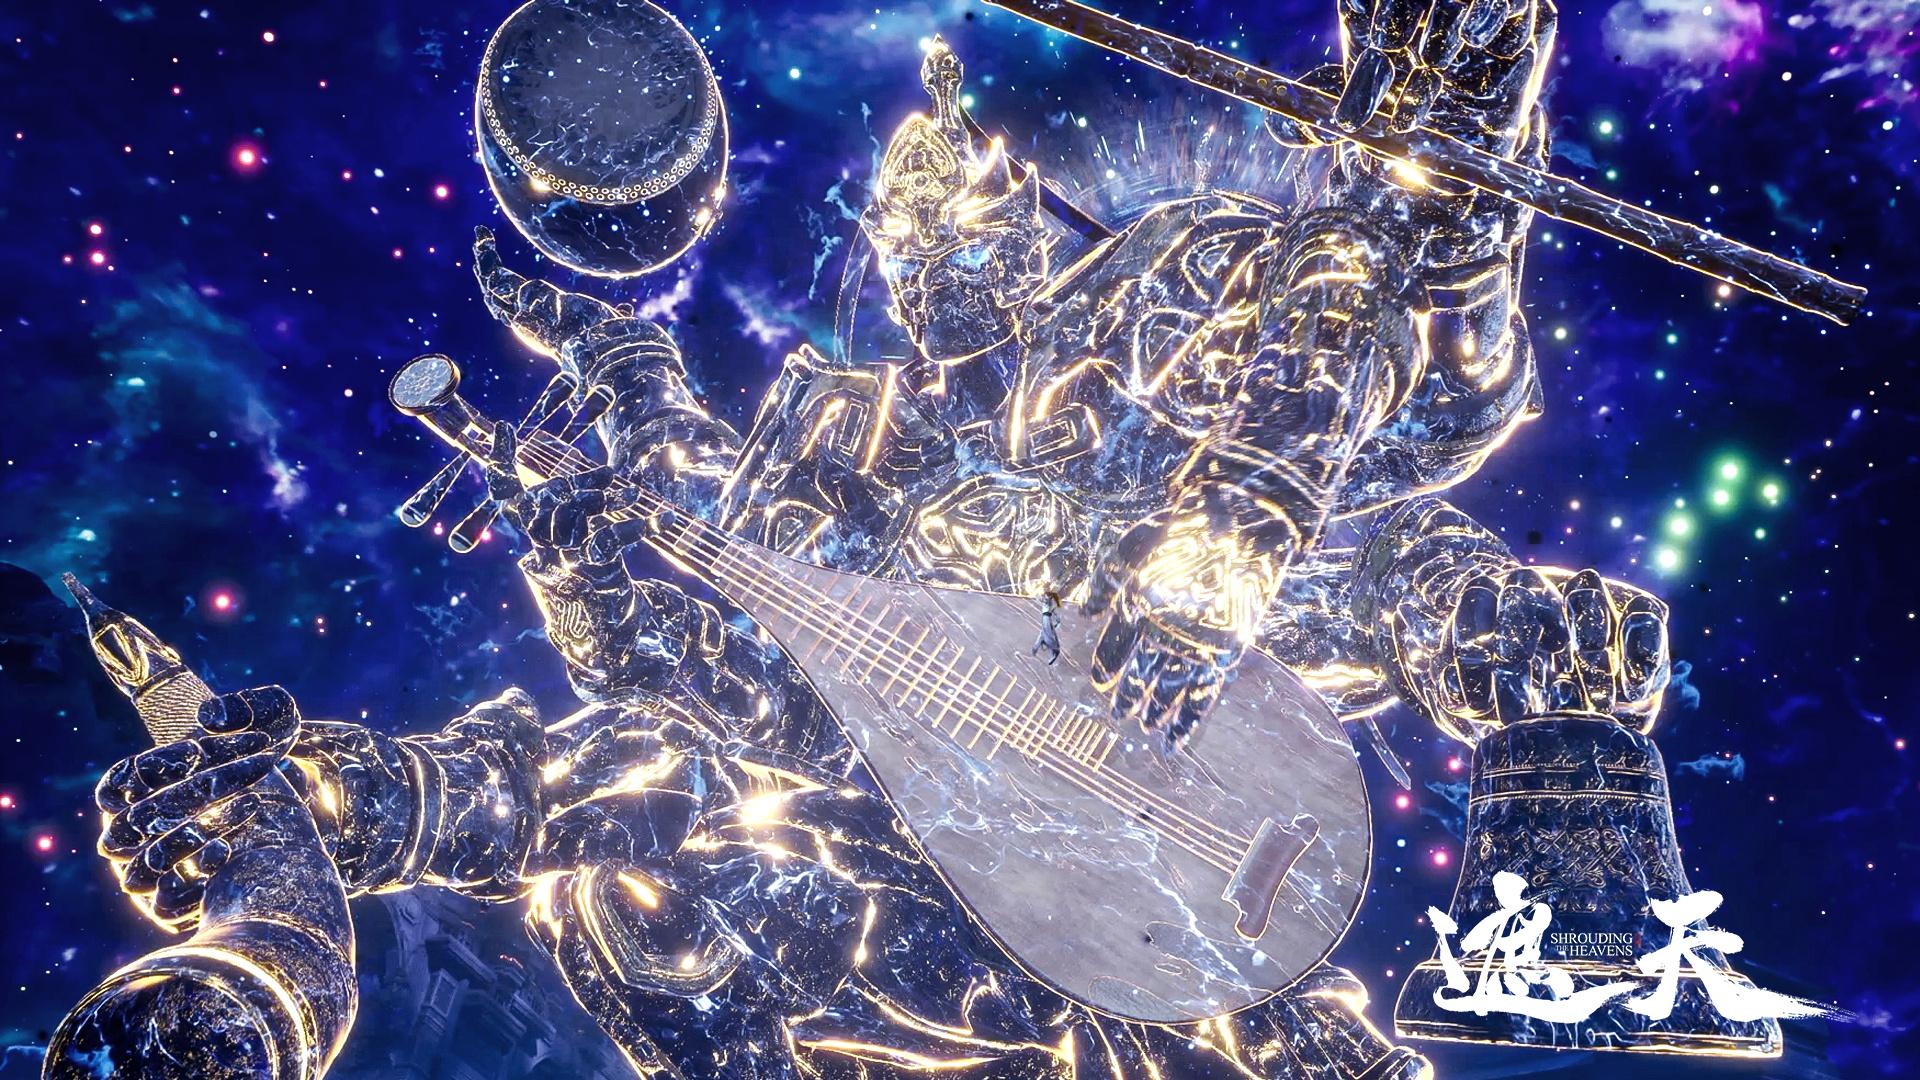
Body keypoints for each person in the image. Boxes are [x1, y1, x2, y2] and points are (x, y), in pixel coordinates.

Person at [83, 0, 1675, 1074]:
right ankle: (246, 989)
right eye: (919, 233)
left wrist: (1441, 594)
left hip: (1181, 843)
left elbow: (1371, 427)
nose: (947, 250)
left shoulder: (1142, 324)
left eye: (969, 214)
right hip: (922, 927)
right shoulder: (836, 468)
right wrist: (346, 797)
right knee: (637, 842)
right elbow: (660, 696)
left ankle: (1450, 133)